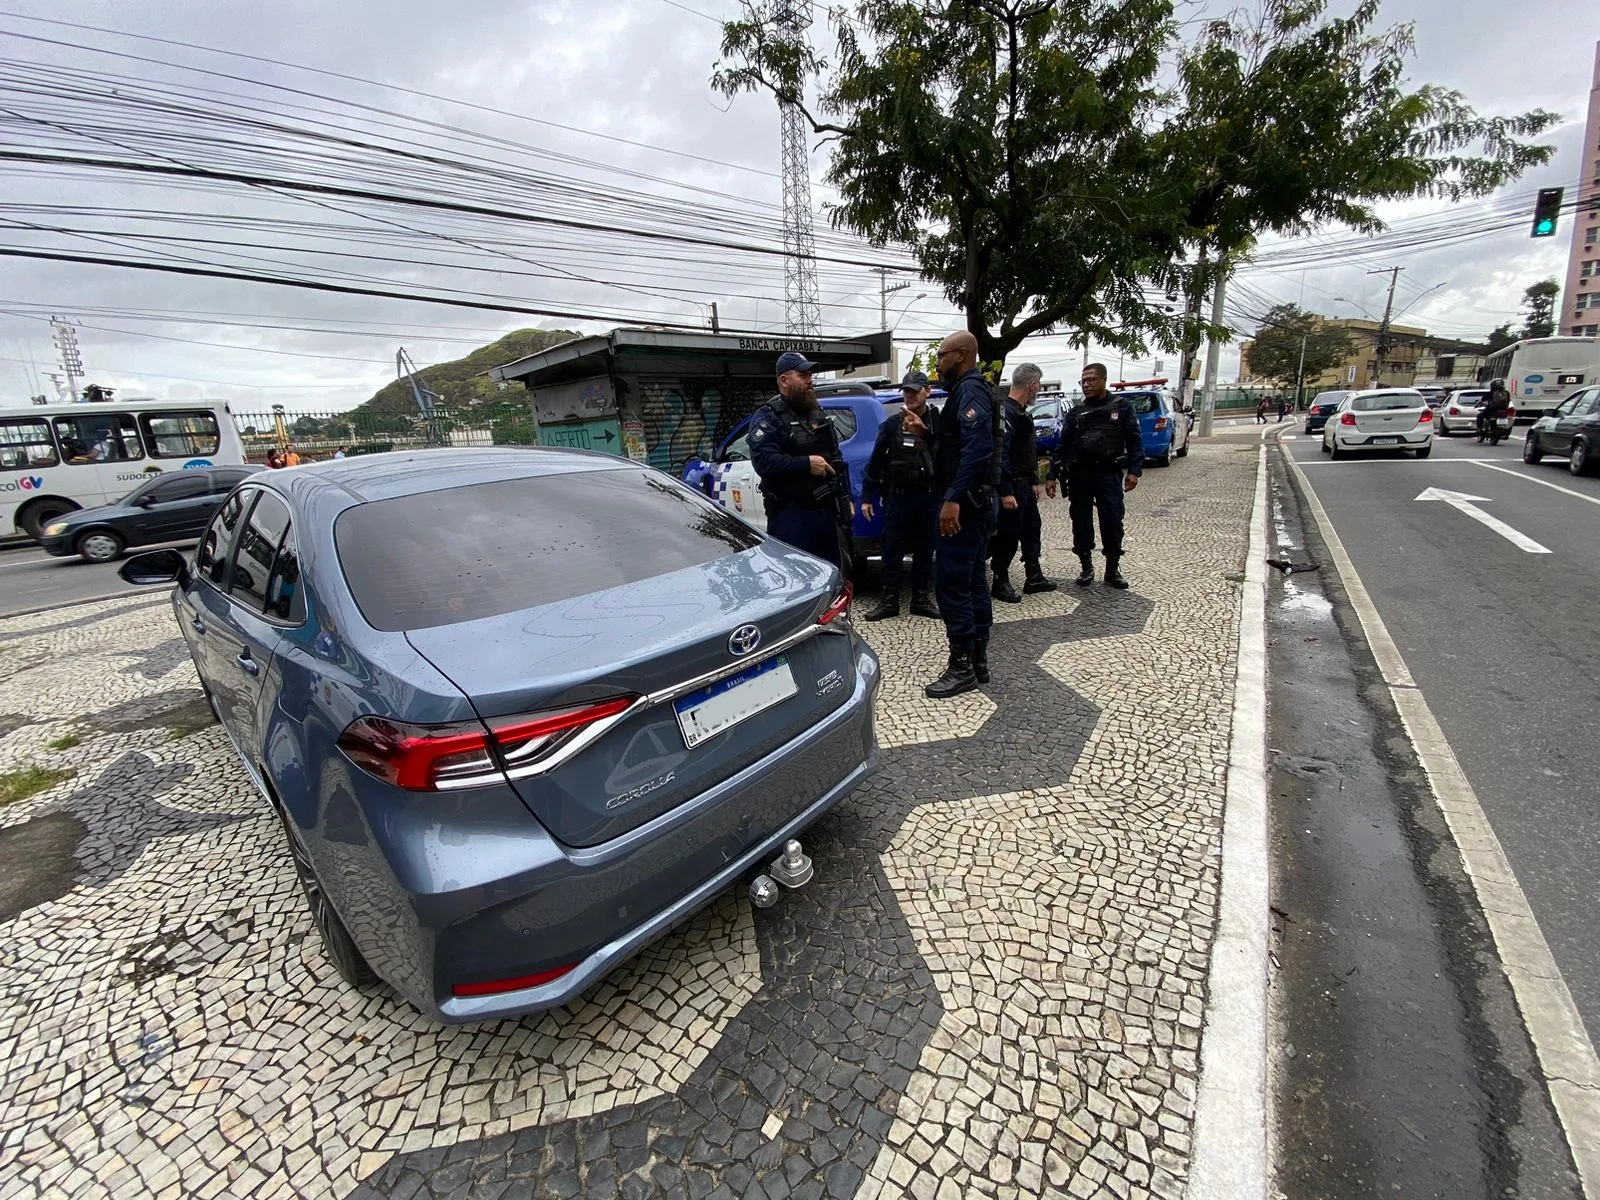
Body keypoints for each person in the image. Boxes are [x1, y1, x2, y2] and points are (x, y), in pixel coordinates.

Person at [926, 330, 1006, 699]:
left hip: (966, 506)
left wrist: (953, 498)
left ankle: (961, 668)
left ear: (960, 355)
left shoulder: (971, 390)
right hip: (978, 502)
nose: (938, 363)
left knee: (953, 585)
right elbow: (960, 443)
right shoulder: (971, 391)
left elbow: (978, 448)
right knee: (974, 581)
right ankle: (979, 661)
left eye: (941, 356)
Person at [749, 351, 852, 569]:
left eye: (810, 375)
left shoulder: (815, 412)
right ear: (784, 380)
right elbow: (764, 462)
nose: (810, 380)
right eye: (803, 375)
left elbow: (836, 458)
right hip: (791, 516)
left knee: (831, 577)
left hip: (825, 513)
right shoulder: (768, 417)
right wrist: (806, 464)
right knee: (798, 581)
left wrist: (846, 496)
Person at [1047, 362, 1144, 589]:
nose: (1087, 385)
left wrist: (1134, 471)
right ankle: (1086, 565)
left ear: (1103, 380)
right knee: (1080, 523)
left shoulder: (1121, 407)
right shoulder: (1076, 412)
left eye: (1092, 380)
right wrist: (1052, 475)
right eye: (1084, 381)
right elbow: (1063, 445)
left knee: (1112, 521)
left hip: (1107, 473)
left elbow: (1134, 440)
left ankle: (1112, 568)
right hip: (1080, 474)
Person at [862, 370, 941, 621]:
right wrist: (866, 496)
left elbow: (947, 456)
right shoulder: (891, 425)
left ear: (926, 391)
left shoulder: (938, 424)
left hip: (928, 496)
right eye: (906, 392)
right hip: (898, 497)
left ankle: (920, 599)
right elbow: (874, 463)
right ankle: (889, 601)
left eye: (914, 391)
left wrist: (925, 432)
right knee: (891, 550)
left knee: (925, 549)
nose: (910, 397)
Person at [990, 362, 1056, 602]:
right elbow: (1002, 453)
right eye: (1037, 386)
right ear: (1033, 385)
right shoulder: (1006, 412)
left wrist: (1035, 482)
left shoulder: (1020, 412)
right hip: (1013, 485)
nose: (1038, 390)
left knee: (1031, 529)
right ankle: (1000, 580)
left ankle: (1034, 575)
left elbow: (1027, 452)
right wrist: (1006, 490)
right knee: (1008, 534)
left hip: (1025, 484)